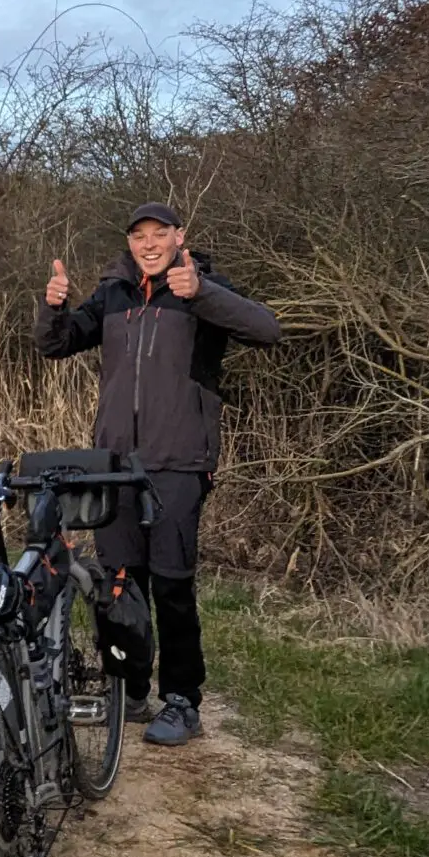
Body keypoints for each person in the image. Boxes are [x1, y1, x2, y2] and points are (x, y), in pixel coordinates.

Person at [35, 201, 280, 746]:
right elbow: (56, 344)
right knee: (120, 586)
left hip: (179, 463)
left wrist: (203, 293)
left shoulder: (202, 290)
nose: (148, 244)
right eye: (139, 236)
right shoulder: (114, 293)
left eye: (159, 234)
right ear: (130, 243)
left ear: (179, 237)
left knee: (171, 585)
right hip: (114, 466)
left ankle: (181, 702)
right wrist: (53, 309)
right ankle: (130, 690)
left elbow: (267, 329)